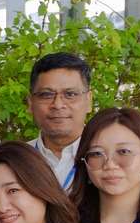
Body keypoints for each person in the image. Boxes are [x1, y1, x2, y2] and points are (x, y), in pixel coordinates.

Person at [27, 52, 93, 191]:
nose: (57, 104)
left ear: (89, 101)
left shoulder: (107, 160)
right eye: (46, 95)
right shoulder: (16, 159)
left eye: (70, 94)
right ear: (31, 103)